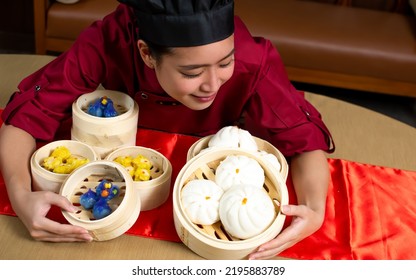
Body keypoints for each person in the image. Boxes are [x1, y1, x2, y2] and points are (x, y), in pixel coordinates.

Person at [0, 0, 334, 260]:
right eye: (192, 72)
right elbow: (30, 112)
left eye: (225, 63)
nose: (213, 84)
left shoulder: (251, 58)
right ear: (146, 53)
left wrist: (316, 210)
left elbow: (302, 136)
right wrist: (19, 195)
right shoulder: (109, 40)